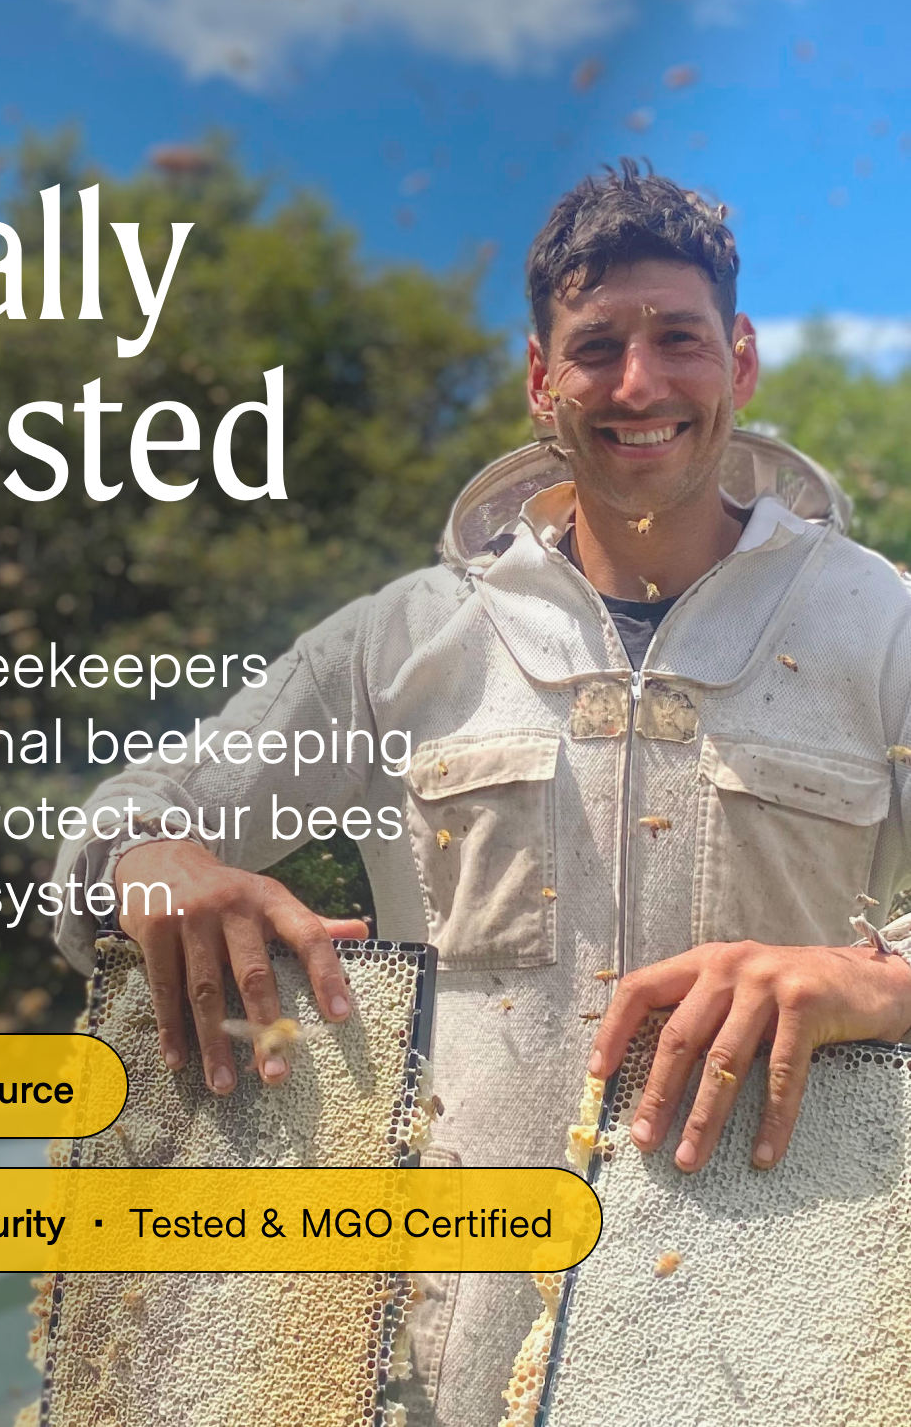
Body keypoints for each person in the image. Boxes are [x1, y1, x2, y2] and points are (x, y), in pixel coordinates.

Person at [50, 159, 911, 1423]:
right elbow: (116, 825)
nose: (637, 382)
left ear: (738, 360)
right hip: (445, 1351)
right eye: (594, 345)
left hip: (777, 1343)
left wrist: (876, 978)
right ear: (537, 379)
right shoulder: (404, 640)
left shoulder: (876, 623)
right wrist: (159, 865)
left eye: (675, 338)